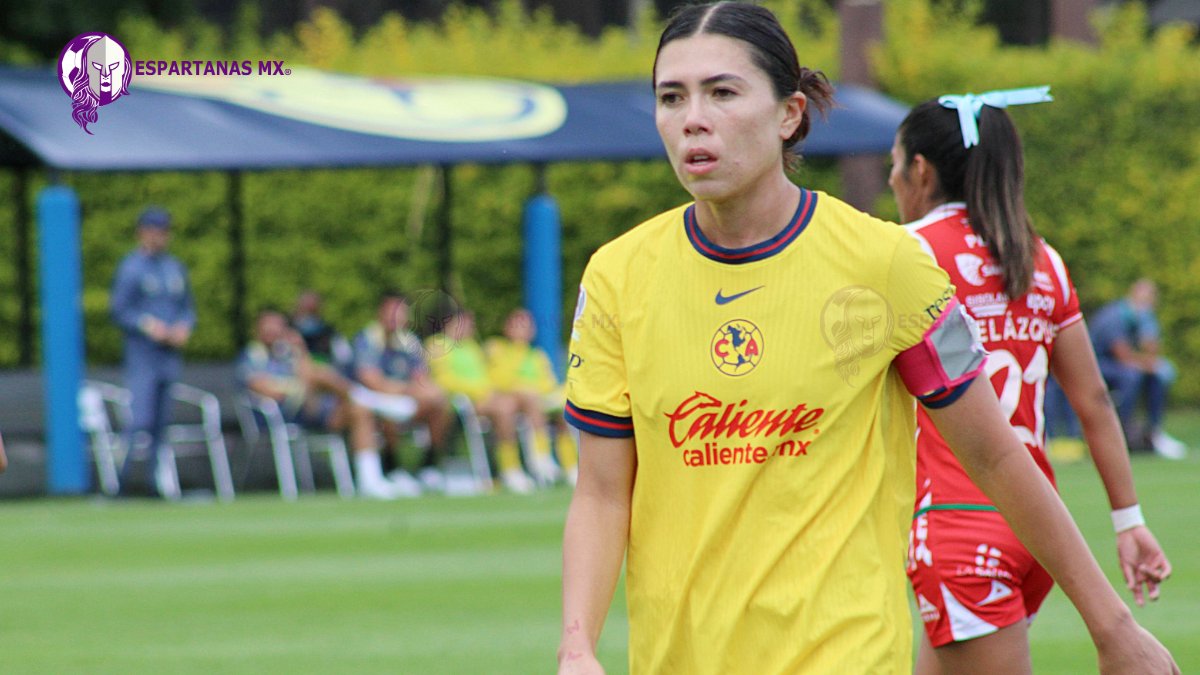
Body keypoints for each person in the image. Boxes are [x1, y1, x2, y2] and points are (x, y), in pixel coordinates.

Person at [557, 3, 1178, 674]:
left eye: (723, 92)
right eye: (671, 97)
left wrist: (1113, 627)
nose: (692, 118)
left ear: (789, 113)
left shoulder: (886, 264)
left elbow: (996, 455)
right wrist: (577, 646)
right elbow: (600, 491)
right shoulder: (618, 277)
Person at [892, 89, 1174, 674]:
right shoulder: (1041, 259)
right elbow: (1094, 399)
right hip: (1036, 529)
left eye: (894, 165)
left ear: (919, 169)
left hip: (959, 523)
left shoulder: (910, 253)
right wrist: (1129, 521)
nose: (893, 180)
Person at [238, 309, 415, 499]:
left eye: (277, 325)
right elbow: (265, 389)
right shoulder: (252, 355)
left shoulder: (289, 355)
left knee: (359, 411)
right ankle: (371, 399)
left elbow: (304, 378)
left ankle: (369, 481)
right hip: (278, 416)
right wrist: (297, 385)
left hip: (311, 411)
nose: (273, 330)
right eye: (267, 325)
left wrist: (301, 351)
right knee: (319, 374)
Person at [109, 207, 195, 498]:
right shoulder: (131, 268)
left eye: (164, 231)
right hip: (143, 356)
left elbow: (187, 307)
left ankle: (152, 482)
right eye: (154, 230)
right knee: (140, 420)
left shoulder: (174, 268)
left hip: (168, 357)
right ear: (142, 232)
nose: (160, 236)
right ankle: (123, 484)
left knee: (161, 423)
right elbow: (120, 311)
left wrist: (184, 326)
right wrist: (149, 325)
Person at [425, 308, 536, 494]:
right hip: (461, 403)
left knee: (518, 401)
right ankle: (510, 468)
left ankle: (531, 461)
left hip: (484, 398)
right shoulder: (437, 345)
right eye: (466, 323)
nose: (470, 328)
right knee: (504, 407)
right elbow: (444, 380)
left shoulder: (472, 347)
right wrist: (480, 392)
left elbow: (486, 377)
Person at [353, 290, 454, 492]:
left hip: (405, 400)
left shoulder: (410, 342)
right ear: (380, 312)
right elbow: (370, 380)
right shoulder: (367, 338)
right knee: (389, 408)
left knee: (438, 401)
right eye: (391, 310)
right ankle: (392, 467)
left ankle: (429, 466)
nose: (395, 316)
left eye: (400, 312)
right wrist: (405, 389)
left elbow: (421, 378)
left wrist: (412, 390)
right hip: (373, 402)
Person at [1088, 279, 1185, 458]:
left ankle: (1154, 432)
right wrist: (1149, 364)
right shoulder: (1114, 316)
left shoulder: (1142, 318)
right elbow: (1123, 356)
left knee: (1156, 377)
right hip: (1095, 365)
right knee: (1131, 376)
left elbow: (1152, 352)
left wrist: (1149, 331)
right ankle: (1121, 429)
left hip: (1121, 365)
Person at [486, 308, 579, 486]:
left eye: (526, 326)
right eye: (517, 325)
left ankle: (571, 466)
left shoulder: (537, 356)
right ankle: (532, 458)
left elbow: (547, 383)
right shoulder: (497, 349)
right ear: (508, 328)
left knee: (562, 412)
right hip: (511, 399)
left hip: (536, 401)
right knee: (525, 398)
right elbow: (499, 380)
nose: (522, 330)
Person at [292, 289, 355, 376]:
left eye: (312, 310)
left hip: (325, 374)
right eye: (306, 309)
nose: (308, 315)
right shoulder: (288, 330)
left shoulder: (331, 333)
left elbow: (345, 358)